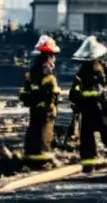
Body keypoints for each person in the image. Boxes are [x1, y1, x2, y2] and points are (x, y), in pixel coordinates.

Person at [68, 36, 107, 173]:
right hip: (92, 110)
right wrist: (78, 100)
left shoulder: (106, 70)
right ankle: (90, 165)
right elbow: (75, 91)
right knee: (90, 140)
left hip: (103, 110)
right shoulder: (84, 72)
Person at [19, 35, 62, 167]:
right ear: (50, 55)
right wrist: (51, 104)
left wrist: (30, 101)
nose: (54, 58)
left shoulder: (34, 68)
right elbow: (52, 90)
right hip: (44, 107)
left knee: (34, 129)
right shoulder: (47, 70)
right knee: (44, 130)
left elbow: (26, 90)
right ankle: (44, 157)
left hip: (34, 106)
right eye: (53, 55)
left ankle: (31, 155)